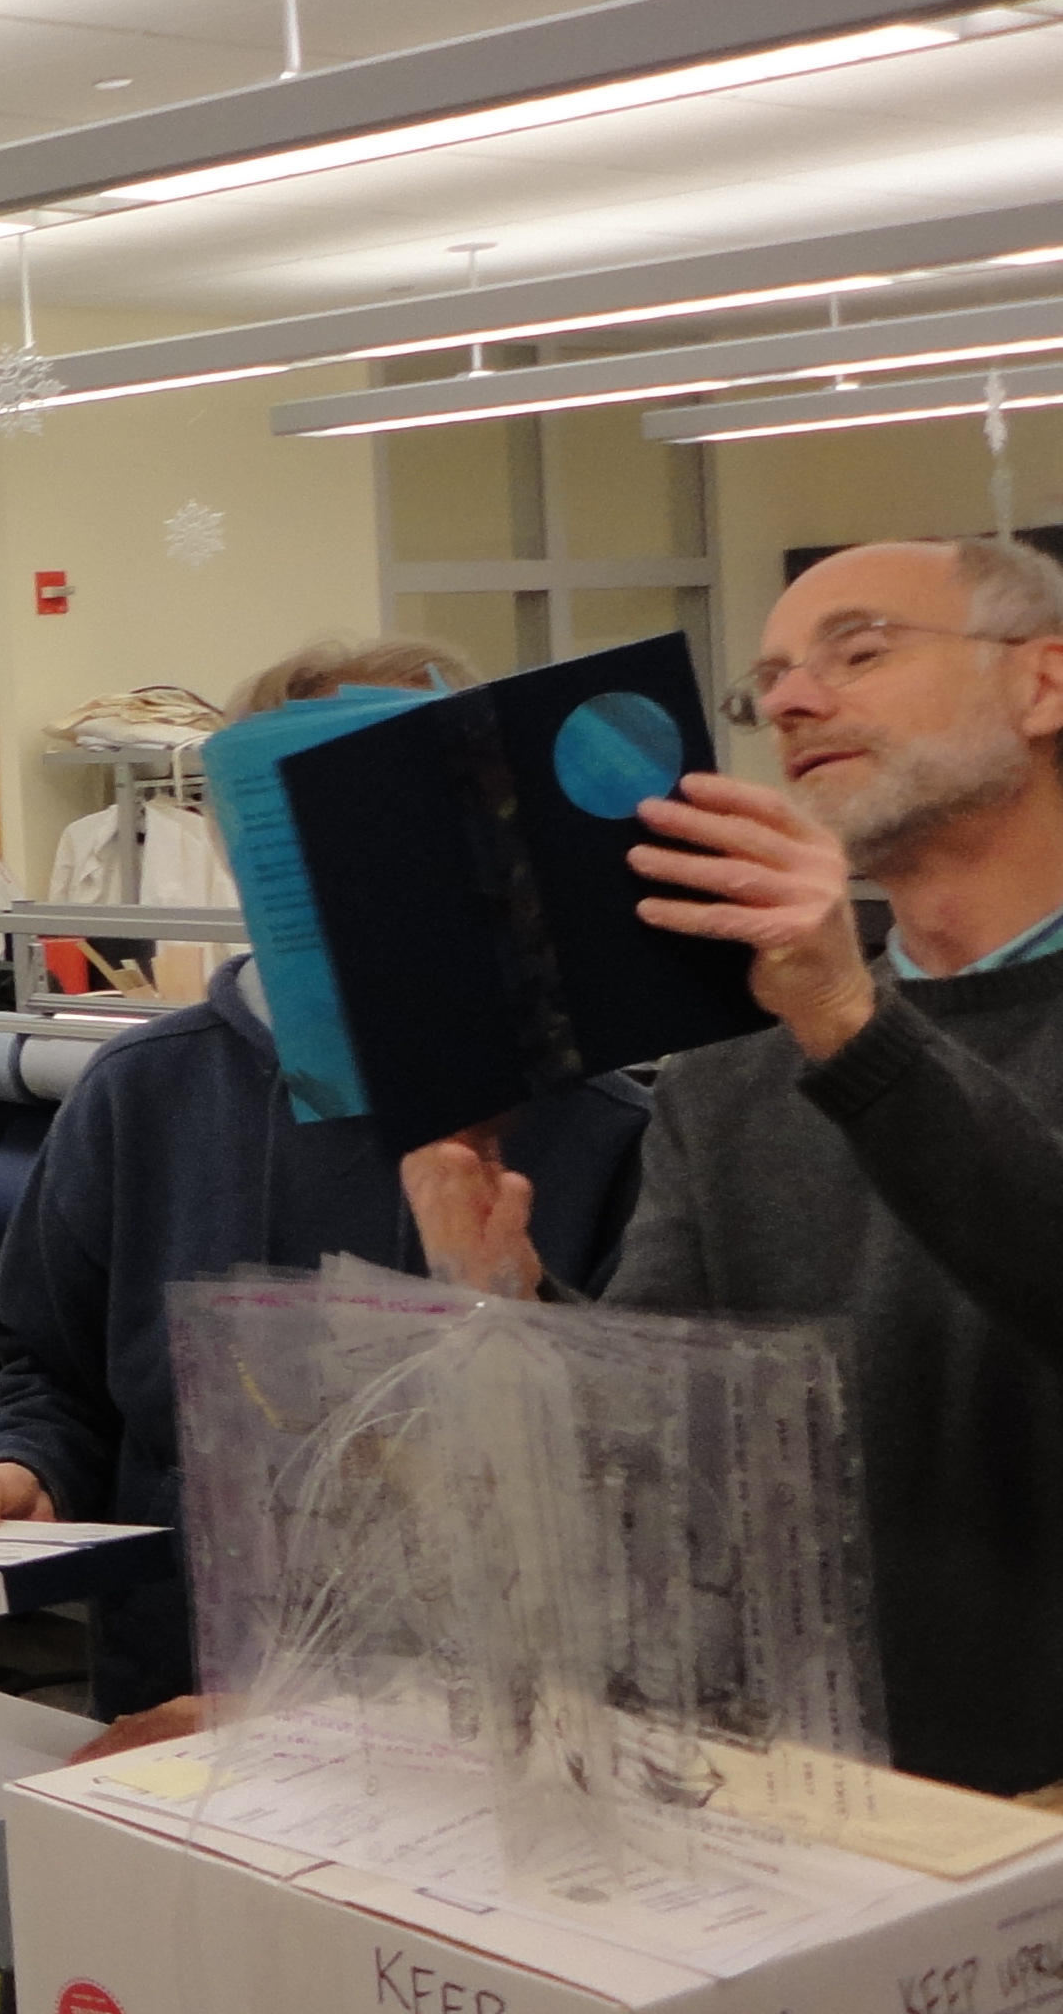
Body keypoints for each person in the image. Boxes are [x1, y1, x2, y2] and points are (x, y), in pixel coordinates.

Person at [404, 536, 1063, 1798]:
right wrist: (515, 1301)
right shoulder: (730, 1081)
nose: (794, 700)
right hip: (812, 1796)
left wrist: (846, 1017)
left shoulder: (824, 1028)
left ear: (1042, 685)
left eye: (859, 651)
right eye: (769, 683)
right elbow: (666, 1452)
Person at [0, 639, 651, 1728]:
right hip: (185, 1693)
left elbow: (647, 1467)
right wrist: (28, 1470)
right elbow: (49, 1371)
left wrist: (513, 1300)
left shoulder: (607, 1125)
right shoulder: (141, 1094)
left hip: (497, 1727)